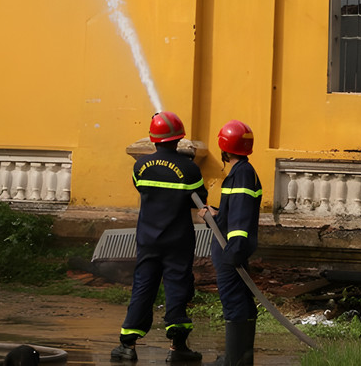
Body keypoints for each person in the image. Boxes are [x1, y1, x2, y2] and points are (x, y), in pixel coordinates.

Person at [112, 111, 208, 363]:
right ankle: (177, 348)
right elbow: (199, 199)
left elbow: (142, 188)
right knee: (177, 287)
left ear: (153, 138)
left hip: (148, 238)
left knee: (143, 286)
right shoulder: (190, 168)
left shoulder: (139, 166)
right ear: (179, 139)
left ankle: (127, 344)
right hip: (178, 239)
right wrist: (184, 165)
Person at [203, 119, 263, 366]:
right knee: (242, 300)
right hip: (233, 246)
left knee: (233, 300)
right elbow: (234, 213)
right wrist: (215, 215)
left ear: (224, 148)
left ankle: (233, 360)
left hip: (231, 249)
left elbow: (240, 217)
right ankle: (242, 358)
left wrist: (234, 251)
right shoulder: (242, 173)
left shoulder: (241, 175)